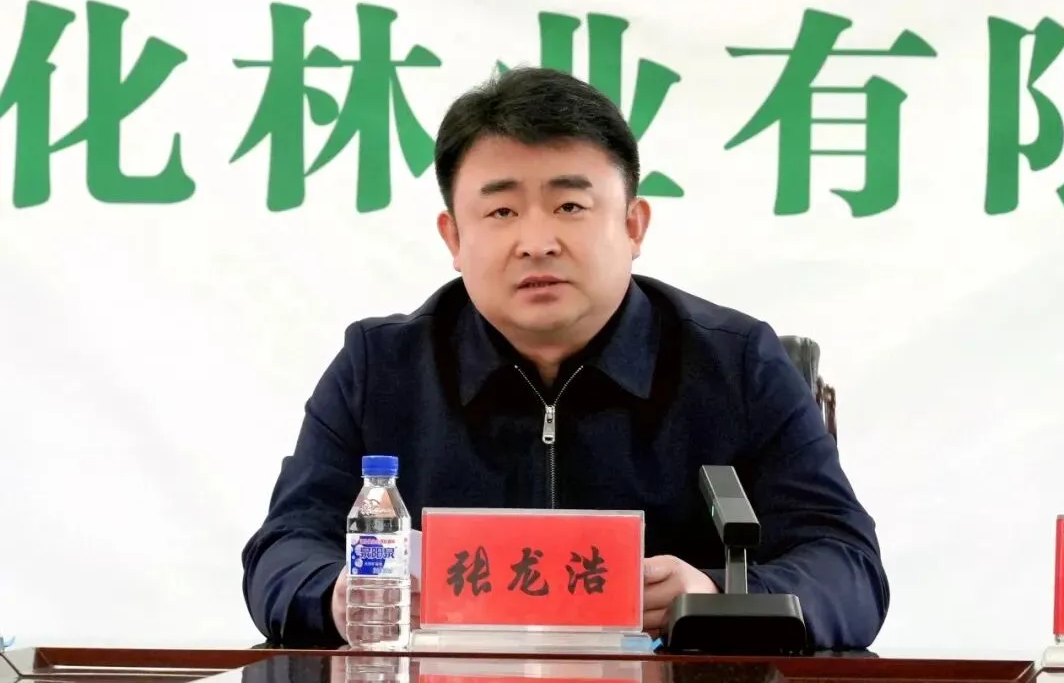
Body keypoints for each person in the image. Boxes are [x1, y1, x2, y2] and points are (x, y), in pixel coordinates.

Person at [240, 66, 888, 650]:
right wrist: (340, 597)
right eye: (501, 210)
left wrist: (715, 598)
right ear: (454, 237)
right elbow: (285, 549)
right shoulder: (380, 368)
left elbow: (847, 567)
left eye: (570, 205)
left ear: (633, 225)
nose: (537, 241)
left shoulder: (738, 363)